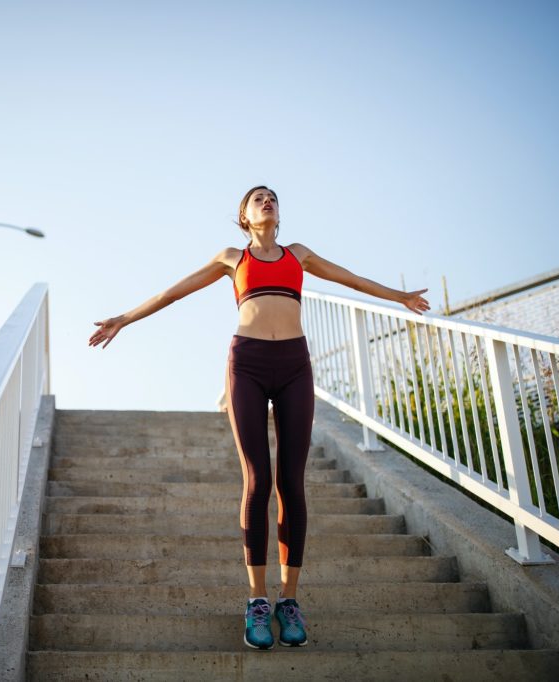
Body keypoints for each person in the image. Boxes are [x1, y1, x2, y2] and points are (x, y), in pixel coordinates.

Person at [88, 185, 429, 650]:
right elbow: (174, 292)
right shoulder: (232, 258)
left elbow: (350, 280)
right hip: (247, 364)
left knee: (291, 482)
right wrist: (124, 319)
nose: (267, 201)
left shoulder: (298, 254)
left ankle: (289, 599)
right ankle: (256, 600)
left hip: (294, 366)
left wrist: (400, 296)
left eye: (272, 197)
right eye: (257, 198)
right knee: (257, 480)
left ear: (278, 214)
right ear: (244, 217)